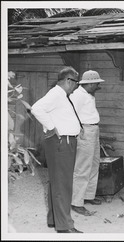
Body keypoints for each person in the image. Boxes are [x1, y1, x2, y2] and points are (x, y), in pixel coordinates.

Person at [31, 66, 83, 233]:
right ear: (69, 80)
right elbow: (36, 108)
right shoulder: (56, 94)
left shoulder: (62, 95)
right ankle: (65, 226)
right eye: (76, 82)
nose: (77, 86)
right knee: (63, 184)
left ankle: (54, 220)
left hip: (64, 142)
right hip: (62, 142)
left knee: (57, 182)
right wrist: (52, 127)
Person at [69, 70, 105, 216]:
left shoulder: (88, 94)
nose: (97, 86)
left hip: (94, 130)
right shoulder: (77, 95)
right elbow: (70, 113)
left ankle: (88, 195)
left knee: (94, 164)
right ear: (89, 83)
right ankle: (76, 202)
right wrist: (79, 129)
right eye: (96, 83)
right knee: (82, 167)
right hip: (85, 131)